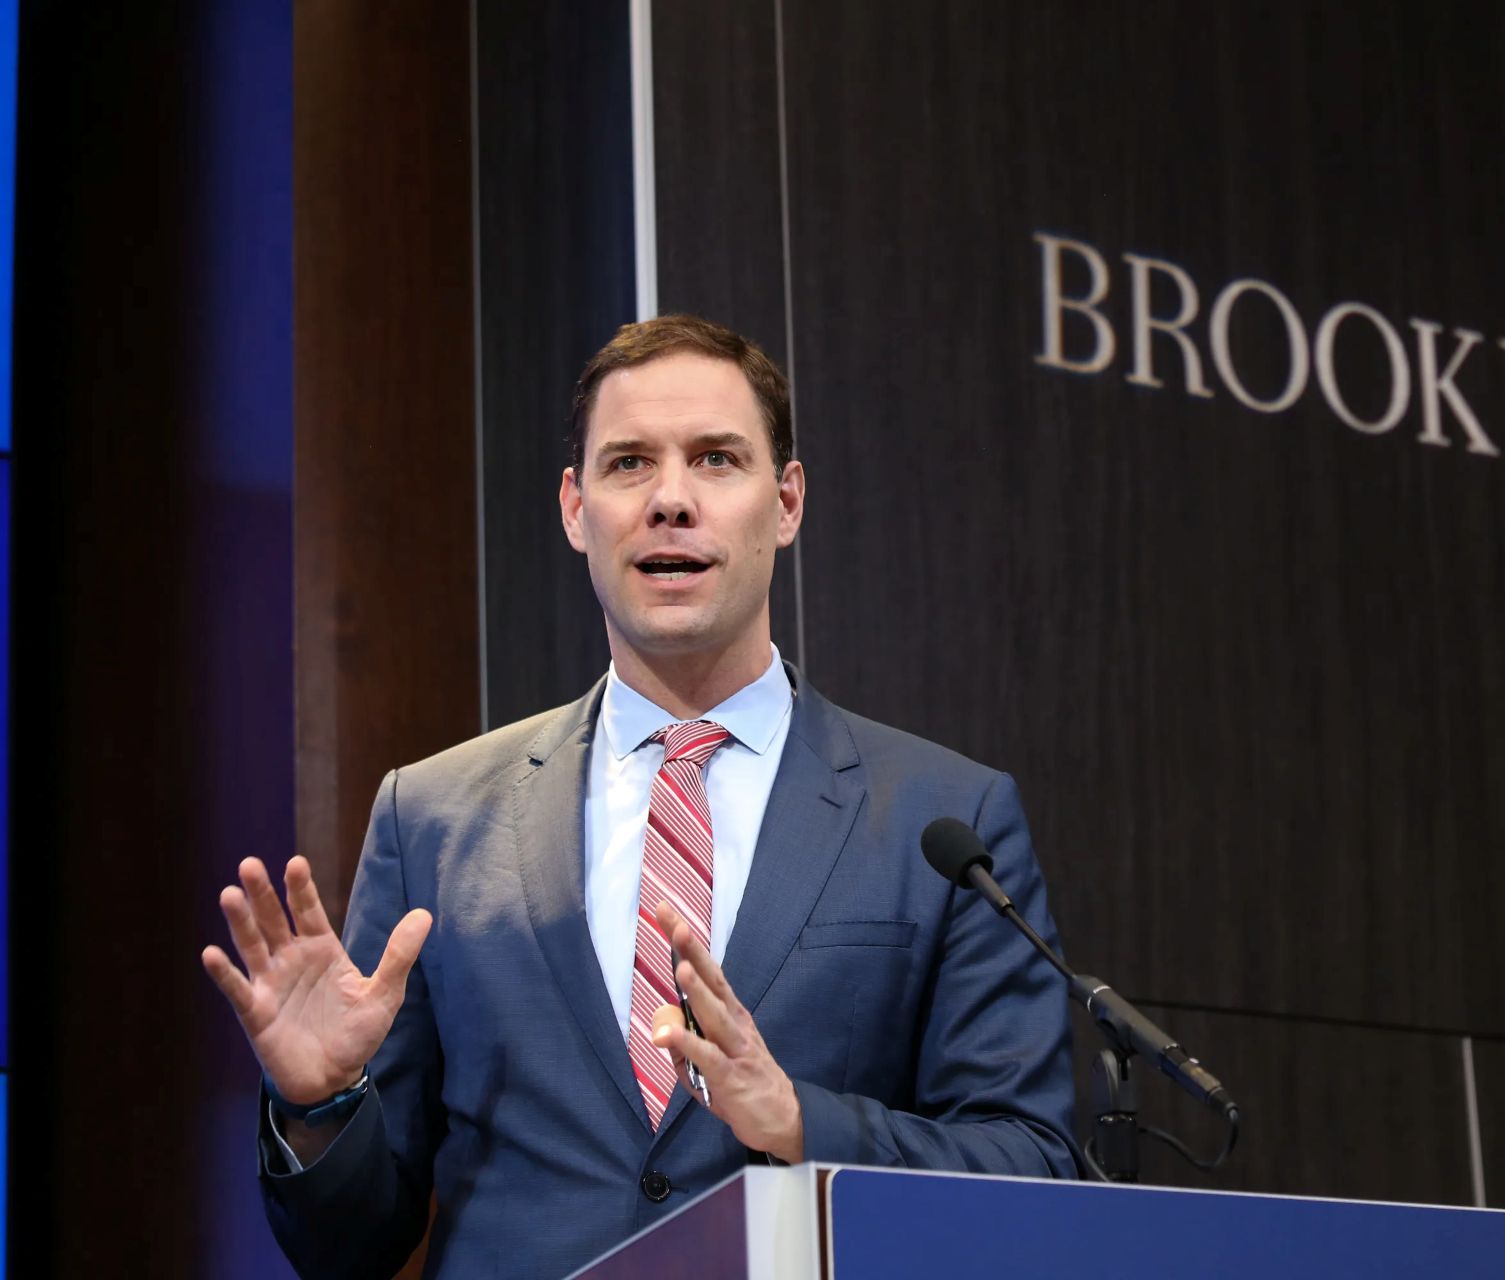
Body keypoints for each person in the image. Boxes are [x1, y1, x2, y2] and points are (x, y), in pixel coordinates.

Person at [201, 315, 1079, 1278]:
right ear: (576, 510)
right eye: (627, 464)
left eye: (715, 459)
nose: (670, 500)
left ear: (786, 502)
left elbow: (1028, 1168)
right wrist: (321, 1105)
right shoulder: (434, 816)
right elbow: (352, 1247)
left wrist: (799, 1123)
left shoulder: (941, 819)